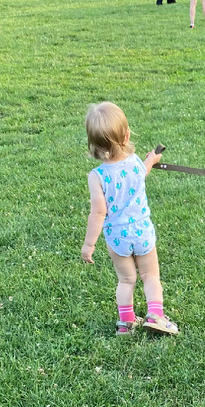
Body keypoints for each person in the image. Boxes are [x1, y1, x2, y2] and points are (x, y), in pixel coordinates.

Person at [81, 101, 179, 337]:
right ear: (126, 136)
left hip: (117, 238)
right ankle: (156, 315)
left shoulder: (97, 176)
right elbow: (142, 172)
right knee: (151, 276)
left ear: (93, 144)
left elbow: (98, 212)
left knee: (126, 280)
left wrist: (89, 245)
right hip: (142, 231)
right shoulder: (135, 162)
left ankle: (126, 323)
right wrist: (152, 159)